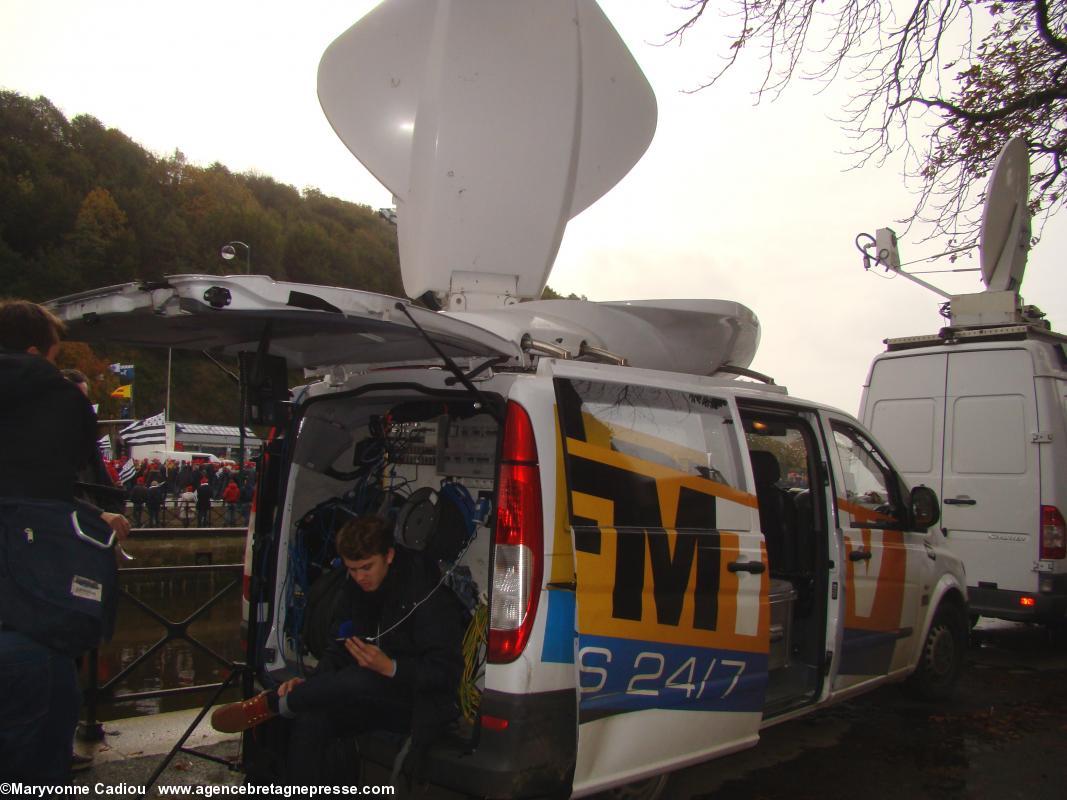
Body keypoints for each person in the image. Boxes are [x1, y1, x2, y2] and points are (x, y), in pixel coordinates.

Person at [210, 516, 465, 784]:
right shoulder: (353, 589)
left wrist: (391, 668)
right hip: (367, 694)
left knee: (361, 678)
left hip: (417, 702)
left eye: (367, 567)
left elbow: (445, 675)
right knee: (312, 719)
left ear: (389, 556)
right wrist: (318, 684)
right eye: (352, 569)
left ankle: (275, 702)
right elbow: (340, 647)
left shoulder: (428, 597)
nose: (360, 577)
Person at [0, 299, 130, 783]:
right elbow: (71, 473)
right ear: (38, 351)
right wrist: (97, 513)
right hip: (31, 600)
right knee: (37, 737)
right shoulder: (61, 396)